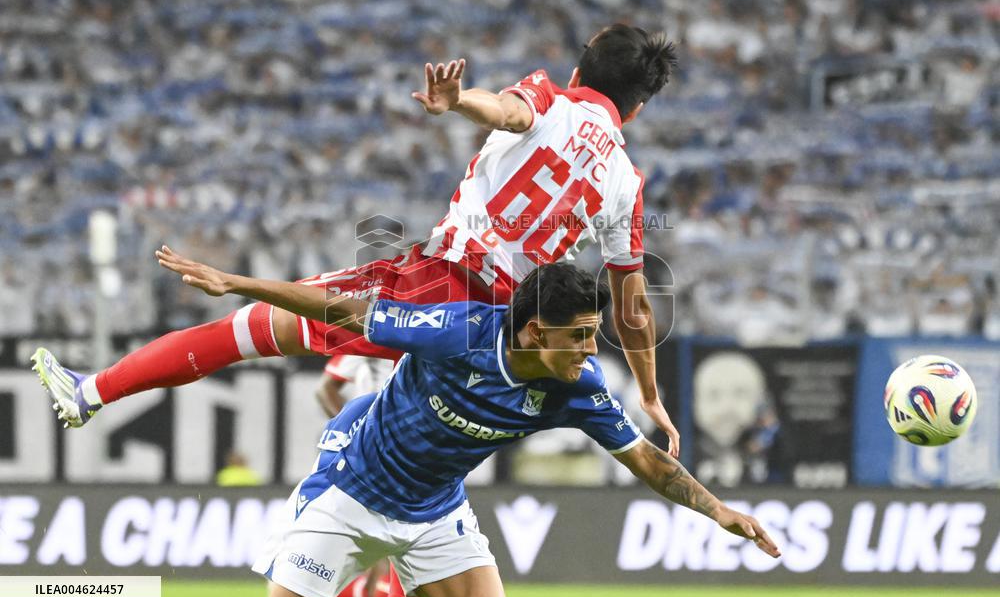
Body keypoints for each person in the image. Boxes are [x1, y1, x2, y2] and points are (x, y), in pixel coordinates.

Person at [31, 23, 681, 456]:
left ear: (576, 71)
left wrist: (459, 101)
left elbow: (507, 111)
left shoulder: (549, 99)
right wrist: (649, 394)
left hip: (435, 286)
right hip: (501, 334)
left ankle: (90, 393)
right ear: (636, 109)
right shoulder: (626, 181)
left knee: (252, 328)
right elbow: (633, 309)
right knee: (418, 467)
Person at [147, 250, 780, 597]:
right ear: (535, 331)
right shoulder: (458, 333)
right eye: (580, 336)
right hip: (350, 493)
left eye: (594, 335)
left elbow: (645, 458)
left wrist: (718, 510)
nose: (591, 351)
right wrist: (237, 285)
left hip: (435, 513)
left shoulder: (577, 388)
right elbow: (346, 311)